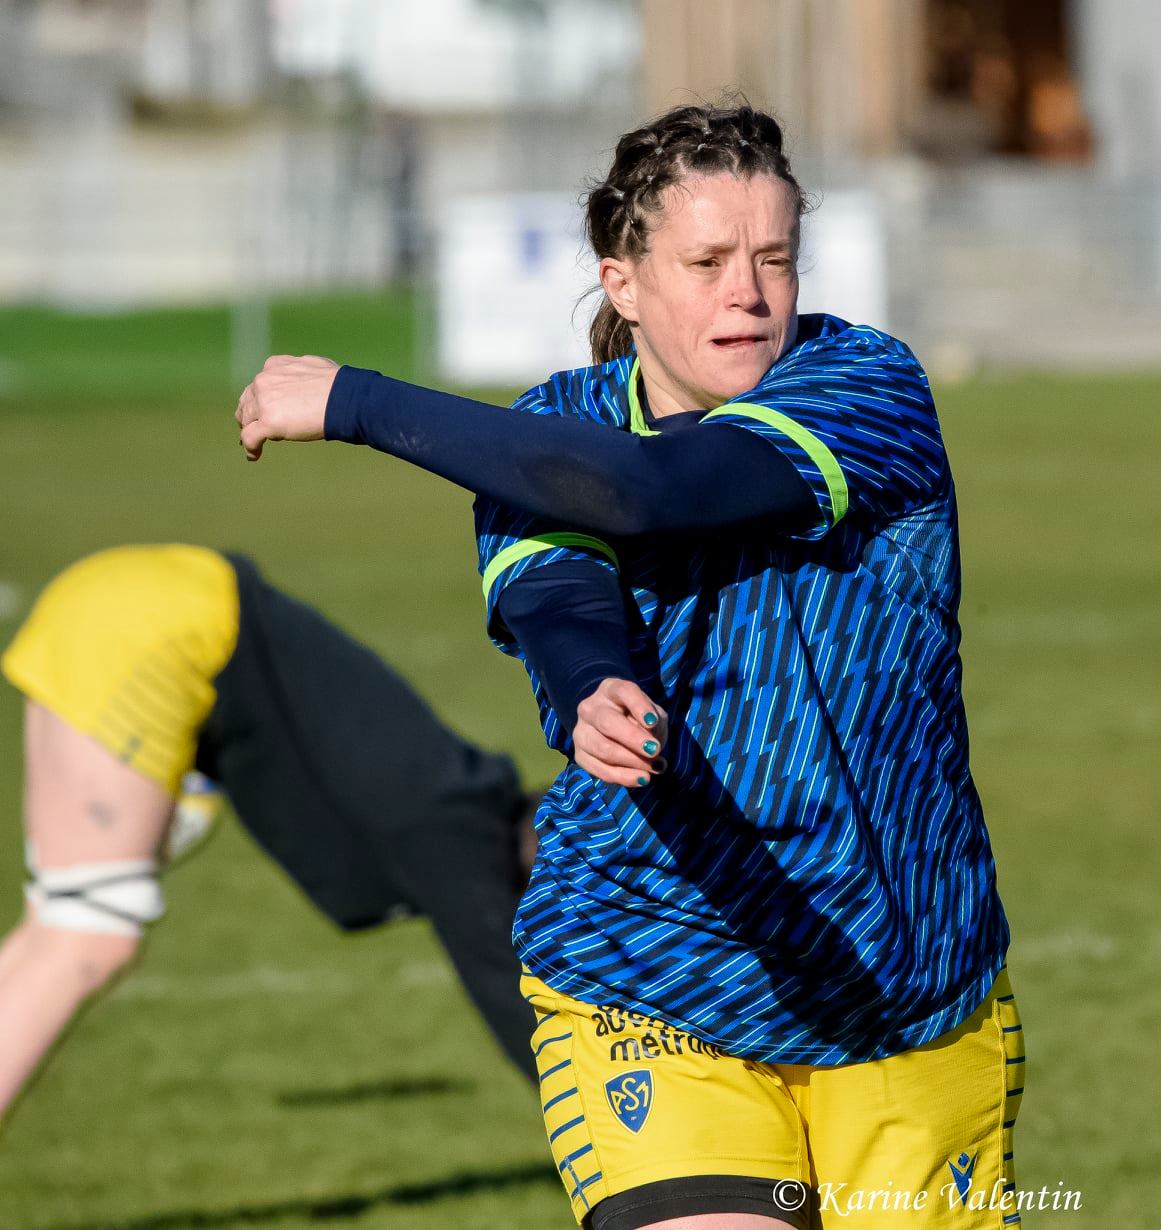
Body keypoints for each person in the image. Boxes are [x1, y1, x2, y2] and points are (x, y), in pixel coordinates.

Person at [237, 103, 1023, 1230]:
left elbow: (646, 491)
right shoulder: (549, 431)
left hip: (904, 979)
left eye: (773, 259)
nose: (746, 294)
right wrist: (588, 689)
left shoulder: (865, 389)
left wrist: (357, 402)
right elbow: (560, 590)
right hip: (645, 968)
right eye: (705, 262)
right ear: (625, 283)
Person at [0, 544, 543, 1123]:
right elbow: (523, 1014)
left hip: (133, 596)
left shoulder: (453, 785)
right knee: (89, 936)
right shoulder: (461, 835)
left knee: (55, 925)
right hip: (167, 626)